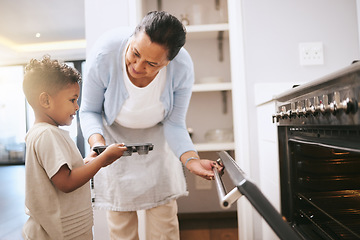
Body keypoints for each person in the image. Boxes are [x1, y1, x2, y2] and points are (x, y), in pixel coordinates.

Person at [80, 11, 221, 239]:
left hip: (158, 142)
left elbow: (174, 123)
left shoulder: (182, 67)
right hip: (113, 142)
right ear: (132, 37)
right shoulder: (104, 53)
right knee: (121, 228)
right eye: (135, 53)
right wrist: (99, 145)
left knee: (164, 227)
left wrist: (191, 160)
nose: (137, 66)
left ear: (168, 62)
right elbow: (89, 111)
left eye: (152, 63)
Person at [22, 55, 127, 240]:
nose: (77, 106)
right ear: (45, 100)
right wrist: (102, 160)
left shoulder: (45, 133)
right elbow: (66, 182)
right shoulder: (47, 135)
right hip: (59, 233)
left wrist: (89, 160)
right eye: (72, 100)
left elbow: (62, 172)